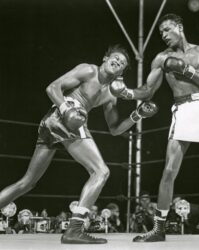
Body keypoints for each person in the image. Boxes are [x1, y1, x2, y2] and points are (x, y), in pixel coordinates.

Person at [110, 13, 199, 242]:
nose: (164, 35)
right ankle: (159, 229)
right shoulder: (161, 59)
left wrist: (187, 70)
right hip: (184, 110)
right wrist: (126, 93)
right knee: (169, 171)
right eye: (161, 33)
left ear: (179, 27)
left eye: (167, 29)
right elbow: (147, 90)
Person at [0, 45, 158, 244]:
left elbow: (115, 129)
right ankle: (74, 229)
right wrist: (67, 109)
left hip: (55, 123)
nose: (118, 62)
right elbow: (52, 88)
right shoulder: (89, 70)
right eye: (115, 58)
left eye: (122, 63)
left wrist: (138, 115)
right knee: (101, 172)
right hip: (63, 116)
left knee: (28, 182)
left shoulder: (111, 95)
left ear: (121, 73)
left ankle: (74, 229)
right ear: (105, 58)